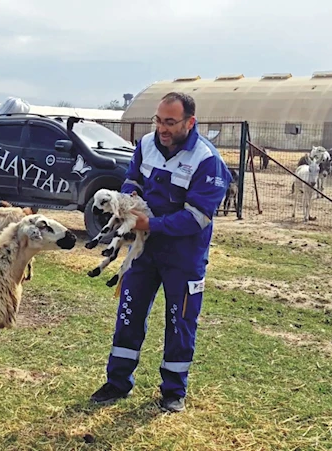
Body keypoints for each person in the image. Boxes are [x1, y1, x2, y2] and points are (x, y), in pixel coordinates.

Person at [89, 92, 232, 413]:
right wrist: (128, 199)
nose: (162, 128)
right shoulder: (146, 145)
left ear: (189, 122)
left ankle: (173, 389)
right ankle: (117, 382)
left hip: (183, 256)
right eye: (158, 120)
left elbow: (197, 217)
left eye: (170, 122)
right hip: (143, 252)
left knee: (180, 322)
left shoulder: (208, 162)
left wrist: (151, 224)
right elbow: (132, 179)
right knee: (128, 314)